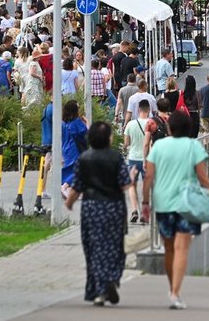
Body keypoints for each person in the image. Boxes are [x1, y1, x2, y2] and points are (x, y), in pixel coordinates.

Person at [142, 111, 209, 310]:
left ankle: (172, 288)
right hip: (186, 202)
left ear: (170, 127)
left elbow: (148, 176)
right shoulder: (193, 146)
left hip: (163, 202)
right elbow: (202, 176)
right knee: (182, 248)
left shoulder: (160, 146)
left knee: (169, 249)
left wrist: (145, 202)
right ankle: (175, 292)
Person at [64, 121, 132, 307]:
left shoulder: (84, 158)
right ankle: (111, 278)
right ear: (109, 138)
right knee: (116, 245)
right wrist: (132, 176)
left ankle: (99, 289)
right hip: (114, 206)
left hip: (91, 207)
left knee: (93, 247)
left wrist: (69, 203)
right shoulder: (116, 158)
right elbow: (125, 184)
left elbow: (76, 187)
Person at [123, 98, 151, 223]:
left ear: (138, 109)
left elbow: (126, 143)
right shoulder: (151, 124)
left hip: (133, 158)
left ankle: (134, 209)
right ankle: (145, 213)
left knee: (132, 185)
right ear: (148, 110)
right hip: (147, 159)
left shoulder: (130, 124)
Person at [61, 100, 90, 198]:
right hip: (75, 149)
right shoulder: (77, 122)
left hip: (66, 148)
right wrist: (87, 123)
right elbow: (86, 133)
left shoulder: (64, 123)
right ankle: (65, 186)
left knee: (69, 169)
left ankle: (71, 189)